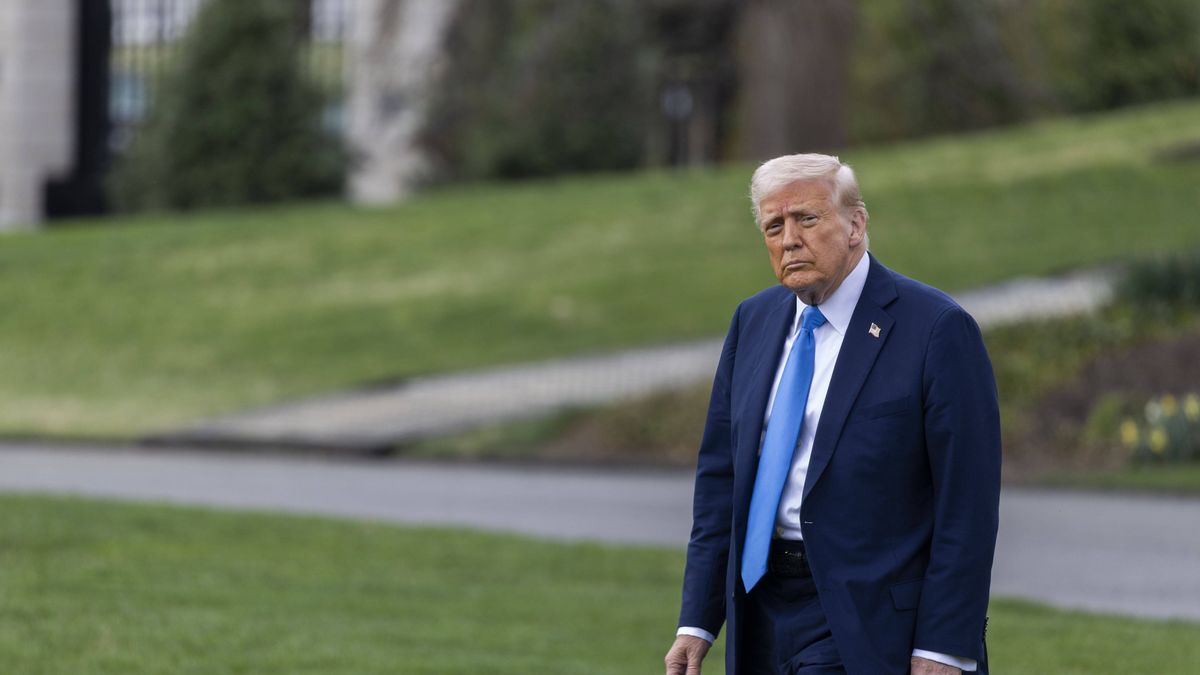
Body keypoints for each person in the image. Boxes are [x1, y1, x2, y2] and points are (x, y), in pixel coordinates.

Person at [664, 154, 1001, 675]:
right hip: (760, 608)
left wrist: (943, 645)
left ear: (856, 225)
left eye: (807, 218)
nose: (789, 239)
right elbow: (720, 484)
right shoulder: (752, 321)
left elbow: (969, 504)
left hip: (864, 618)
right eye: (774, 226)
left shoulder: (936, 329)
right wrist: (698, 621)